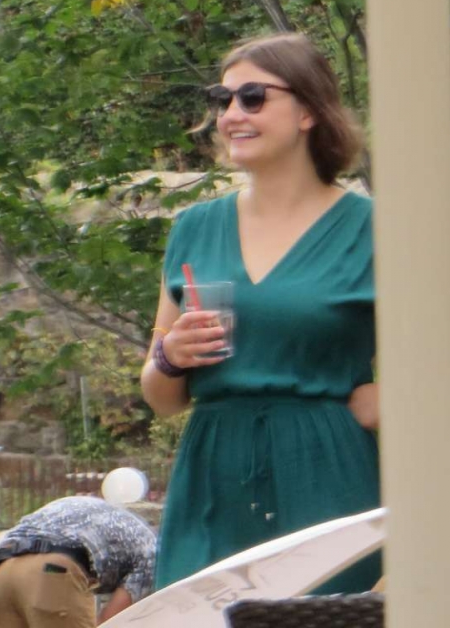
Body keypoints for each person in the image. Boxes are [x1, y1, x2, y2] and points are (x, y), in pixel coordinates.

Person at [141, 33, 380, 592]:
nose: (231, 115)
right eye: (222, 99)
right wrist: (171, 357)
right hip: (213, 471)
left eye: (252, 97)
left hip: (325, 469)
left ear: (308, 111)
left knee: (328, 613)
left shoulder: (374, 228)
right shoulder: (194, 227)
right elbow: (161, 398)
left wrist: (390, 398)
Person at [0, 495, 155, 627]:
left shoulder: (118, 521)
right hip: (51, 571)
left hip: (3, 570)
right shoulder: (152, 554)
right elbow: (109, 621)